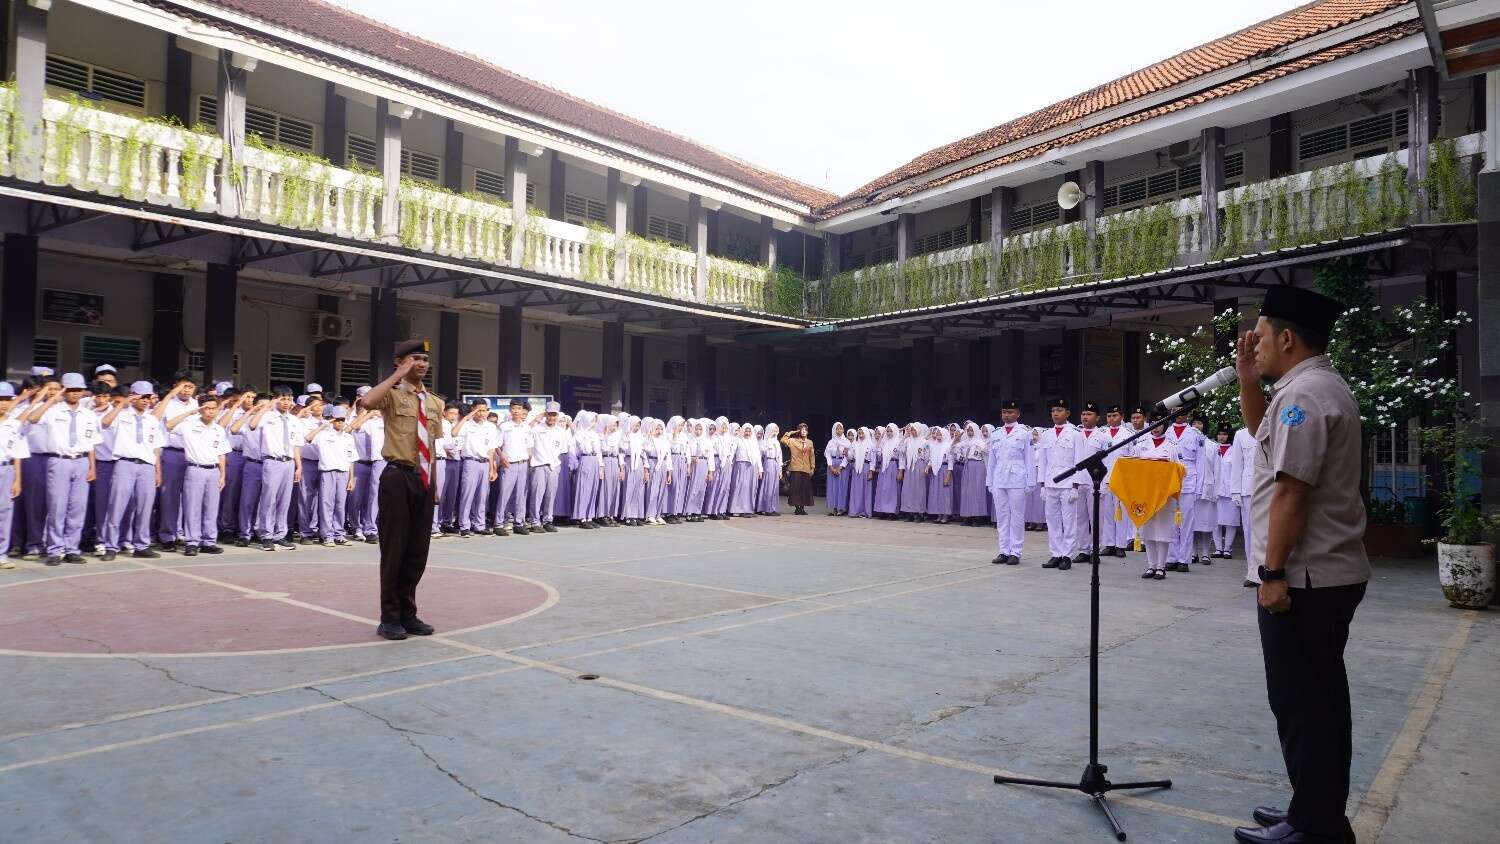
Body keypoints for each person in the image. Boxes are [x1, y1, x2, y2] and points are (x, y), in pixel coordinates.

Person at [1232, 285, 1367, 844]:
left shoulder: (1304, 398)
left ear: (1287, 338)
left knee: (1303, 704)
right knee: (1317, 700)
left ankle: (1315, 826)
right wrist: (1247, 378)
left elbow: (1291, 492)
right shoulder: (1306, 389)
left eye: (1260, 337)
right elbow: (1260, 437)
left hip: (1305, 580)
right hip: (1321, 575)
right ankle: (1314, 808)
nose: (1253, 345)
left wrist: (1272, 574)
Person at [361, 339, 446, 641]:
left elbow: (431, 447)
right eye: (414, 358)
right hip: (397, 477)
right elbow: (367, 402)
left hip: (422, 479)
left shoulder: (434, 403)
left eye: (424, 359)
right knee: (394, 549)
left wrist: (434, 485)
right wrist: (397, 375)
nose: (421, 364)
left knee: (417, 551)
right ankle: (389, 617)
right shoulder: (392, 395)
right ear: (399, 362)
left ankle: (408, 614)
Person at [24, 373, 101, 566]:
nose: (75, 393)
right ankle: (54, 550)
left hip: (81, 461)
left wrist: (92, 467)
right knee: (57, 506)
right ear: (64, 390)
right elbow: (32, 418)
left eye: (79, 390)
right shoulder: (53, 411)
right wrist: (52, 399)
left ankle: (72, 549)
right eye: (71, 390)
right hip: (59, 461)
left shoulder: (89, 415)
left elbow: (91, 443)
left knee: (77, 508)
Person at [164, 393, 231, 556]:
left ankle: (209, 541)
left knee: (211, 508)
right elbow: (169, 425)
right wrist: (190, 412)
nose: (211, 411)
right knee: (192, 507)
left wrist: (222, 475)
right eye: (207, 408)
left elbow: (221, 454)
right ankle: (192, 542)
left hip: (213, 471)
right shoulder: (189, 425)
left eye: (214, 408)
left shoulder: (218, 429)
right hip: (195, 469)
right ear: (200, 409)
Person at [1038, 398, 1083, 571]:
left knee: (1069, 521)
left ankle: (1067, 555)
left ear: (1067, 413)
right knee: (1052, 520)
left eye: (1059, 410)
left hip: (1068, 484)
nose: (1056, 413)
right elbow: (1043, 461)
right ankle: (1056, 553)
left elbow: (1079, 461)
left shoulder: (1075, 433)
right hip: (1050, 482)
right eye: (1053, 411)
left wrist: (1075, 486)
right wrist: (1042, 484)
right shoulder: (1046, 434)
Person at [986, 401, 1032, 566]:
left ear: (1017, 413)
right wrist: (989, 481)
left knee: (1017, 517)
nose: (1006, 415)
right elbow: (992, 460)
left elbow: (1029, 459)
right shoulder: (996, 434)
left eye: (1010, 412)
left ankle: (1015, 552)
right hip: (999, 479)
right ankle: (1004, 551)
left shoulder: (1024, 433)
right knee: (1002, 517)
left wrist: (1030, 482)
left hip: (1017, 479)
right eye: (1004, 412)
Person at [0, 382, 29, 570]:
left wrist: (17, 480)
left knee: (4, 512)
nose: (3, 403)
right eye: (0, 399)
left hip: (7, 469)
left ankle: (1, 553)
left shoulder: (15, 425)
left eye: (7, 399)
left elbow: (17, 453)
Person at [494, 399, 533, 535]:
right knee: (504, 494)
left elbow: (529, 447)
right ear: (510, 410)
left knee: (521, 495)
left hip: (523, 463)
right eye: (514, 408)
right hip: (509, 464)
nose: (516, 411)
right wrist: (502, 456)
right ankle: (499, 523)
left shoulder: (527, 427)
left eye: (519, 408)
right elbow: (496, 445)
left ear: (523, 410)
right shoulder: (504, 426)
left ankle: (519, 523)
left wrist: (529, 463)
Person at [527, 402, 567, 532]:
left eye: (554, 415)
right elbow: (526, 432)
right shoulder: (537, 428)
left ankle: (548, 520)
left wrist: (556, 464)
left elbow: (562, 450)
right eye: (549, 414)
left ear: (558, 415)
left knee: (550, 495)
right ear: (545, 414)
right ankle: (535, 522)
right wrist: (537, 418)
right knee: (537, 495)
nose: (551, 417)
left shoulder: (561, 432)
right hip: (539, 465)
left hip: (554, 466)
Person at [1212, 425, 1240, 560]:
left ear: (1229, 436)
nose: (1221, 437)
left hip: (1231, 491)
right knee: (1215, 521)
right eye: (1219, 434)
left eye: (1224, 434)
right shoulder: (1213, 448)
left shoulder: (1235, 450)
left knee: (1231, 521)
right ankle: (1218, 548)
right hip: (1215, 491)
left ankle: (1227, 549)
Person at [780, 422, 814, 515]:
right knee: (796, 489)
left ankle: (802, 508)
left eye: (805, 430)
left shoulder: (809, 442)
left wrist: (812, 467)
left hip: (806, 468)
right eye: (802, 429)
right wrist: (791, 432)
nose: (804, 431)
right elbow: (783, 440)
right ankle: (797, 508)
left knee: (804, 489)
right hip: (795, 468)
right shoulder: (793, 441)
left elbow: (812, 456)